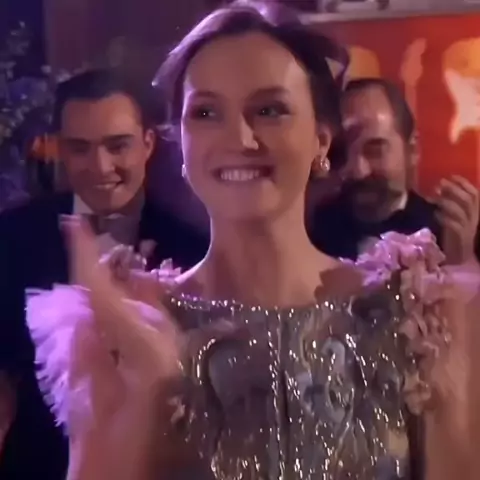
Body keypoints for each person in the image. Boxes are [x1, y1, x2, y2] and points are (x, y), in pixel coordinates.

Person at [25, 2, 480, 479]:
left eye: (269, 110)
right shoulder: (128, 328)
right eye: (206, 112)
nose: (239, 138)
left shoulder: (414, 313)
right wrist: (143, 396)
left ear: (322, 140)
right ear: (182, 144)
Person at [0, 69, 207, 478]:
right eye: (80, 148)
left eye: (117, 146)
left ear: (147, 144)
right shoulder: (13, 238)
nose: (100, 166)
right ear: (61, 149)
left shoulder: (193, 249)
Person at [309, 78, 479, 264]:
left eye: (375, 151)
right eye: (343, 152)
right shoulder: (315, 228)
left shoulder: (448, 233)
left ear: (412, 150)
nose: (358, 171)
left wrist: (462, 263)